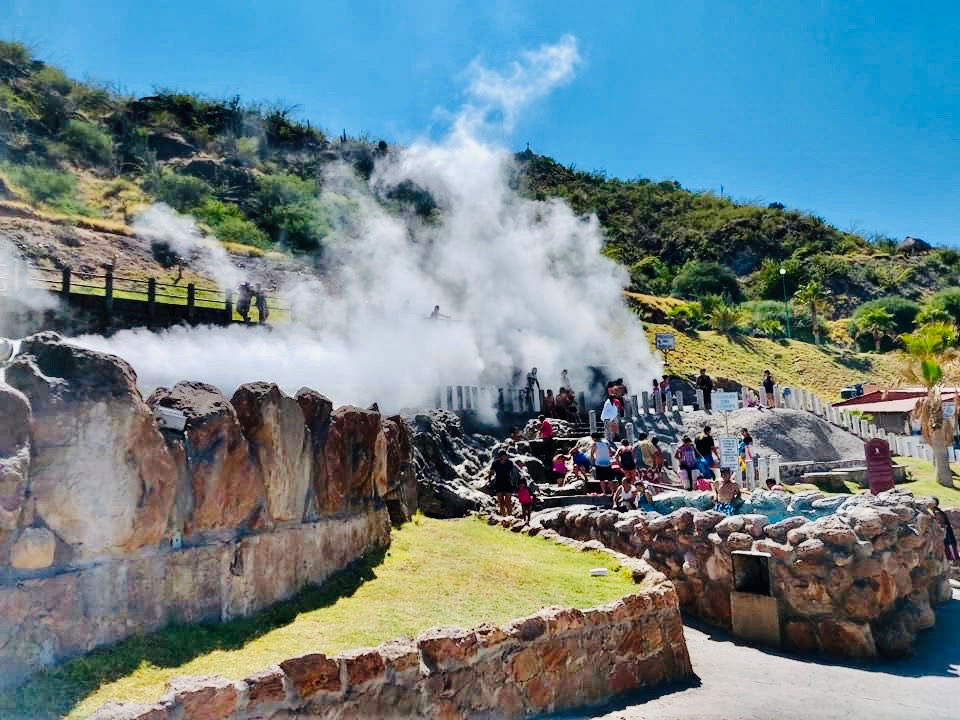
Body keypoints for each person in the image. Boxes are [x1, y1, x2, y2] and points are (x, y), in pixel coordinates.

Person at [489, 450, 516, 516]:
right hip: (498, 483)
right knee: (500, 501)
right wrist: (489, 480)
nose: (503, 458)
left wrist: (515, 483)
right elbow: (491, 472)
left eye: (504, 456)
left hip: (508, 482)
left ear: (506, 456)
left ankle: (510, 515)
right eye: (501, 457)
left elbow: (513, 473)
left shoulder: (509, 463)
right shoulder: (495, 463)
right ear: (499, 457)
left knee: (508, 501)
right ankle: (504, 516)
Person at [931, 498, 958, 563]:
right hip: (942, 532)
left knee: (948, 545)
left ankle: (954, 560)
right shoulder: (934, 511)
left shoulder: (938, 512)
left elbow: (941, 523)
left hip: (944, 532)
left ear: (934, 504)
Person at [590, 432, 615, 496]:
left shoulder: (594, 444)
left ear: (594, 438)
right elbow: (611, 452)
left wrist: (593, 462)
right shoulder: (606, 443)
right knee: (610, 479)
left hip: (599, 464)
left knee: (602, 480)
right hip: (608, 463)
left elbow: (591, 454)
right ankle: (612, 492)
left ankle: (604, 493)